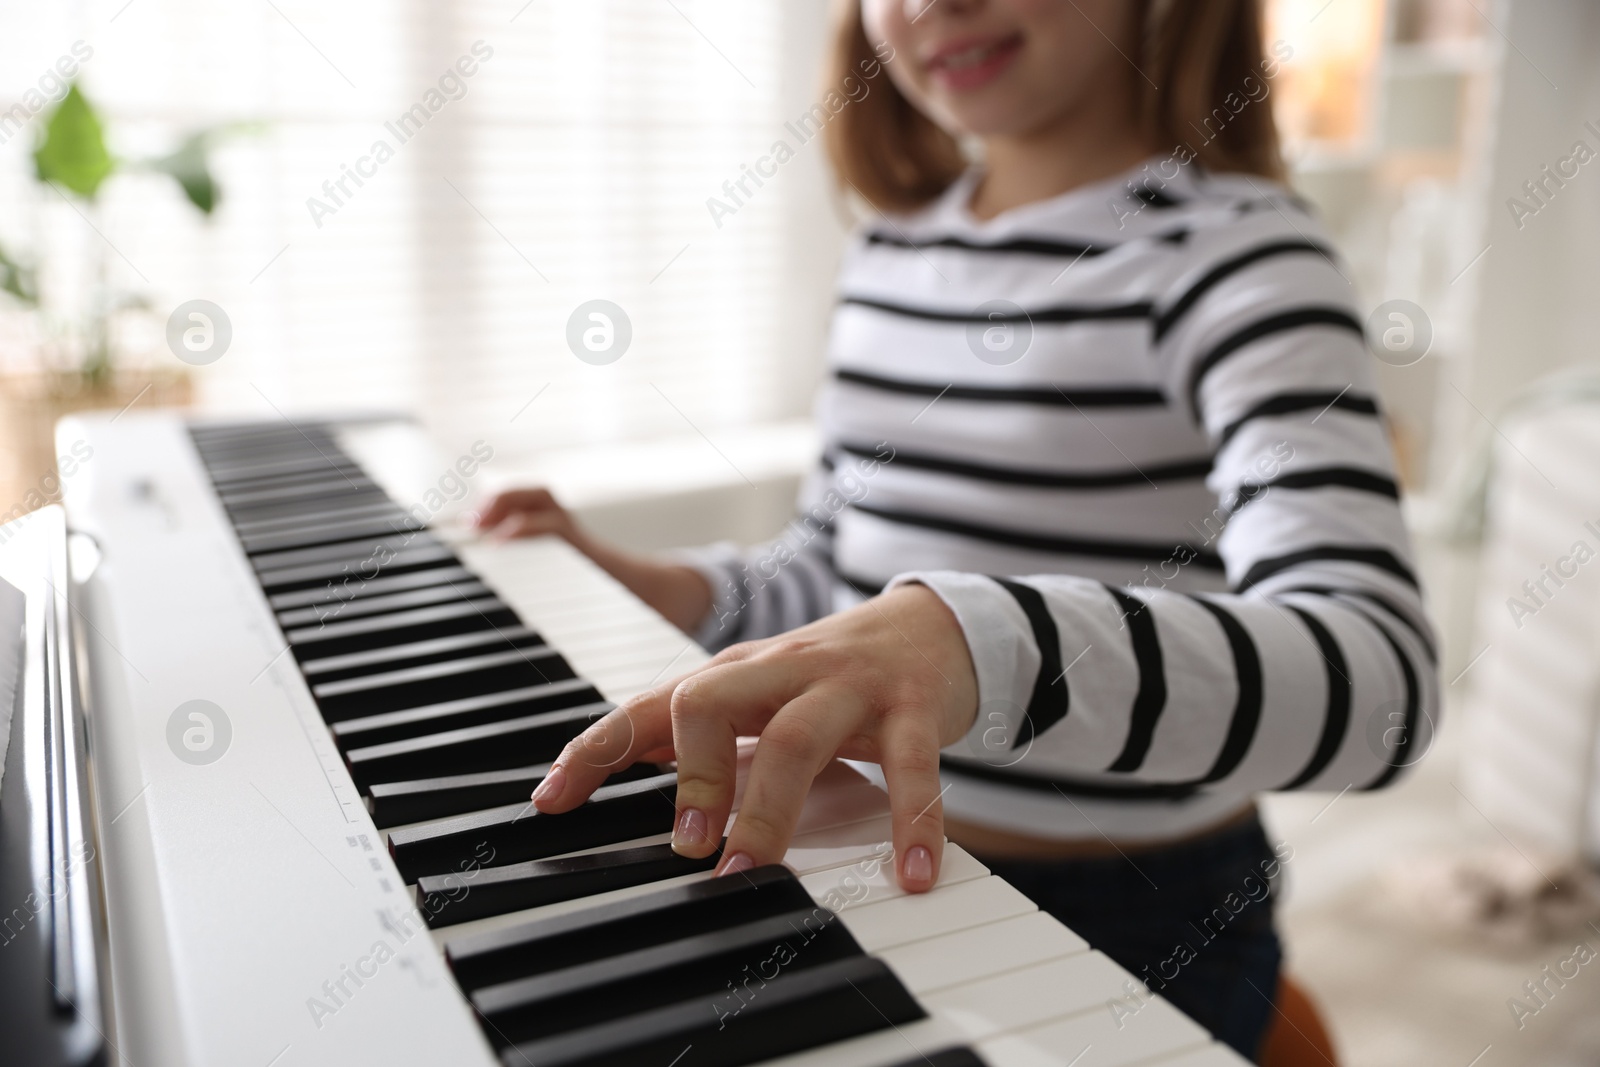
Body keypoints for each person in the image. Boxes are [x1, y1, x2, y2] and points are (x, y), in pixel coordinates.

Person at [477, 0, 1438, 1058]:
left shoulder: (1243, 259)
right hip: (871, 859)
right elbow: (842, 576)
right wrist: (657, 585)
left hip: (1129, 912)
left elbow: (1379, 683)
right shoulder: (890, 251)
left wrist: (978, 645)